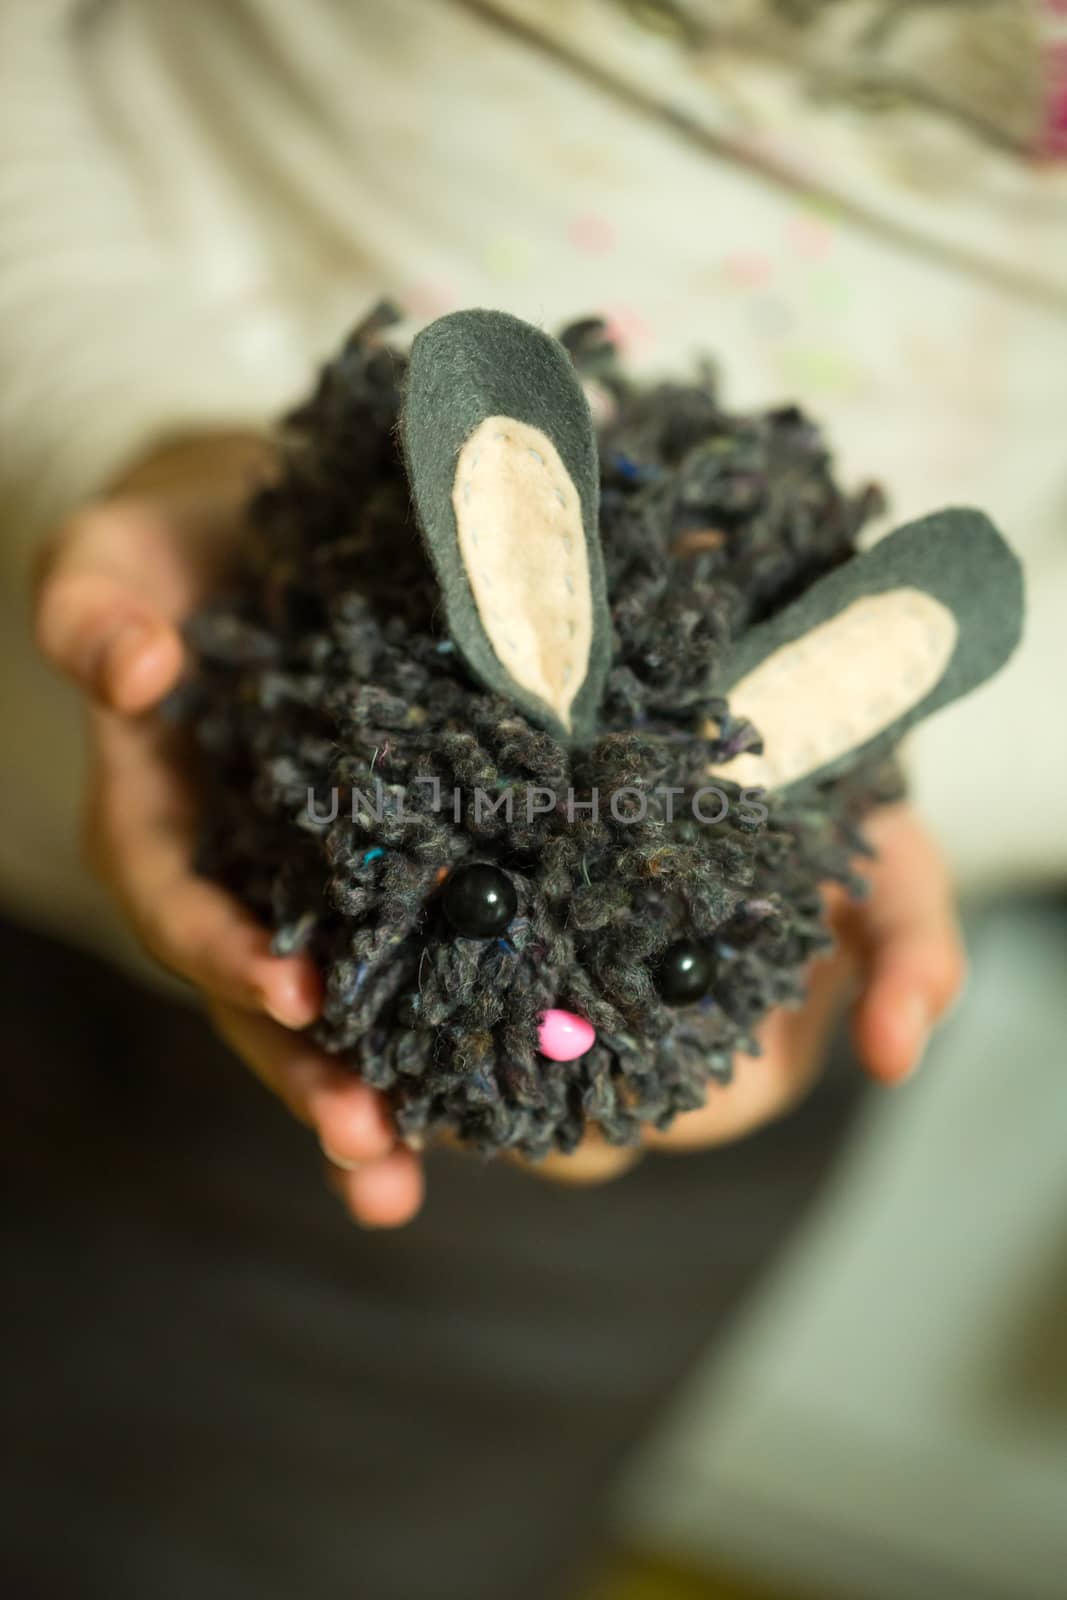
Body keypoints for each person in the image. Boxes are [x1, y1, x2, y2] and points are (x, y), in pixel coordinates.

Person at [1, 3, 1061, 1595]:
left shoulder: (634, 1017)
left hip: (576, 1186)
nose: (555, 1022)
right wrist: (99, 416)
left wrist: (899, 774)